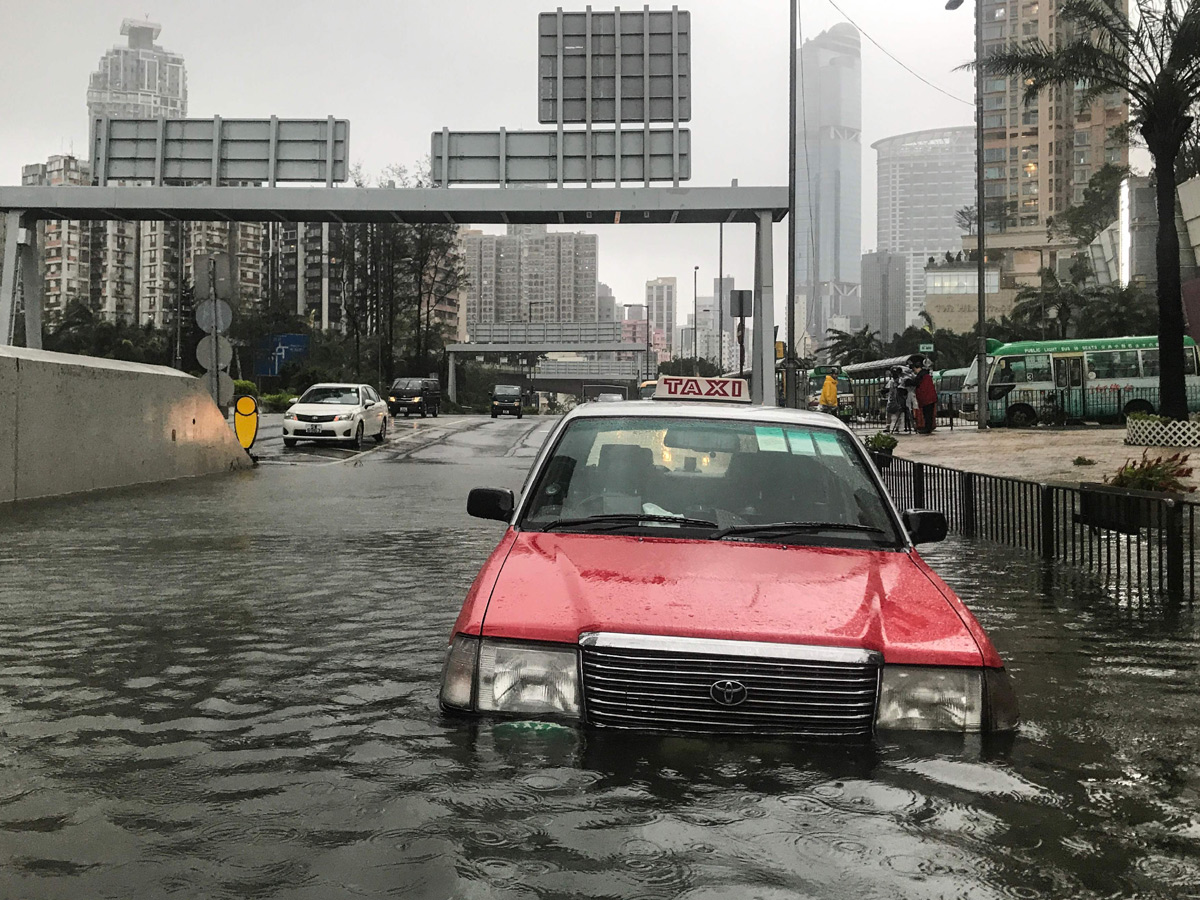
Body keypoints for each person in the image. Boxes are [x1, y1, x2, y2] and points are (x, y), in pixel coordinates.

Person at [913, 358, 938, 435]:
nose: (914, 371)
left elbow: (916, 383)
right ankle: (928, 427)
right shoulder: (926, 375)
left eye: (914, 369)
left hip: (926, 398)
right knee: (929, 414)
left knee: (927, 414)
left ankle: (927, 428)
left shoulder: (921, 376)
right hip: (930, 398)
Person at [885, 366, 908, 434]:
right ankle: (888, 427)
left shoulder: (901, 380)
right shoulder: (891, 381)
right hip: (891, 399)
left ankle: (897, 427)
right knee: (889, 414)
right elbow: (887, 389)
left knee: (898, 414)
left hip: (898, 400)